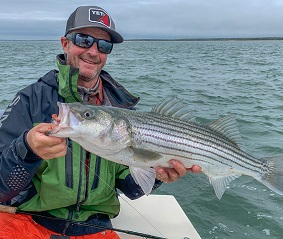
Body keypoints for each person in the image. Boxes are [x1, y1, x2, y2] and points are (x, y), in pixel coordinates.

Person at [0, 5, 201, 239]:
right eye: (83, 40)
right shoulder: (31, 100)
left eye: (103, 45)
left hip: (96, 228)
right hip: (29, 221)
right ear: (65, 44)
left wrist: (156, 175)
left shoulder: (123, 109)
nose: (93, 52)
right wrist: (27, 149)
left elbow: (129, 188)